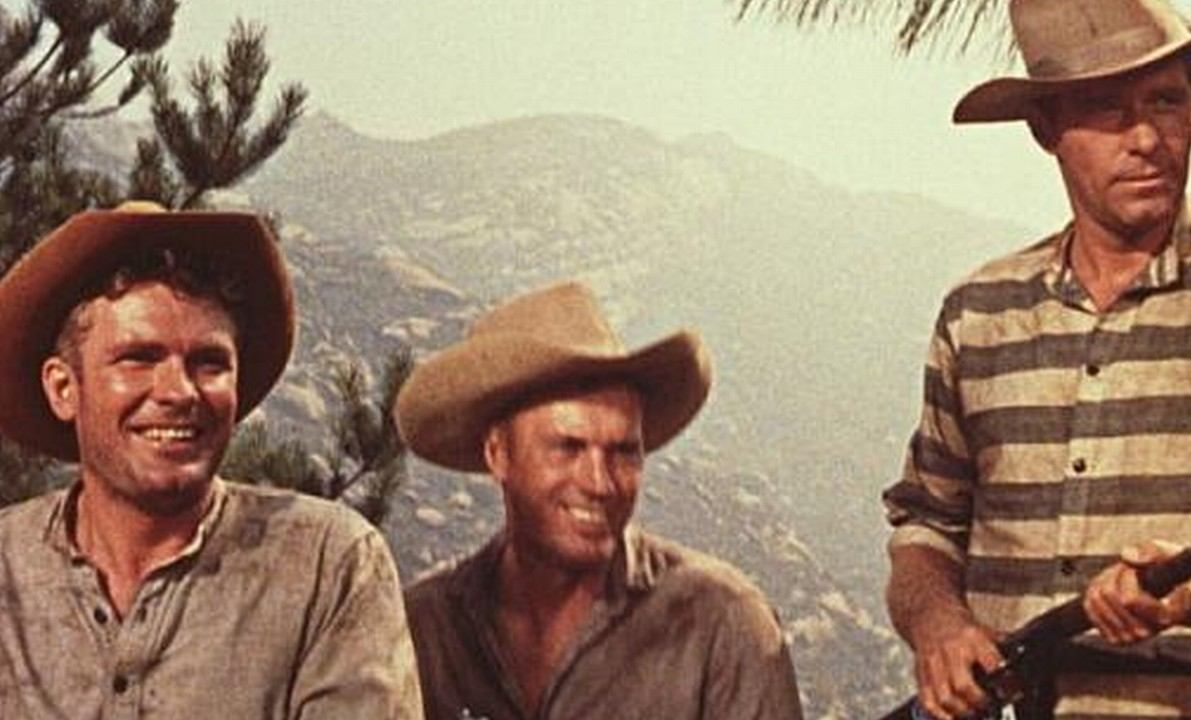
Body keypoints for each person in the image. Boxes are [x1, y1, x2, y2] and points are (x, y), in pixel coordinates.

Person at [882, 0, 1191, 718]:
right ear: (1046, 130)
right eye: (1105, 110)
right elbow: (925, 526)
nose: (1145, 138)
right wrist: (939, 628)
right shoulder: (980, 311)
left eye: (1166, 101)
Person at [0, 202, 423, 719]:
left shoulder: (325, 566)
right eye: (139, 358)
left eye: (209, 363)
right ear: (64, 388)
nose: (179, 391)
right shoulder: (9, 567)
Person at [394, 281, 803, 720]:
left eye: (624, 452)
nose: (600, 483)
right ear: (498, 454)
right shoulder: (423, 630)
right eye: (568, 448)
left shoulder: (720, 625)